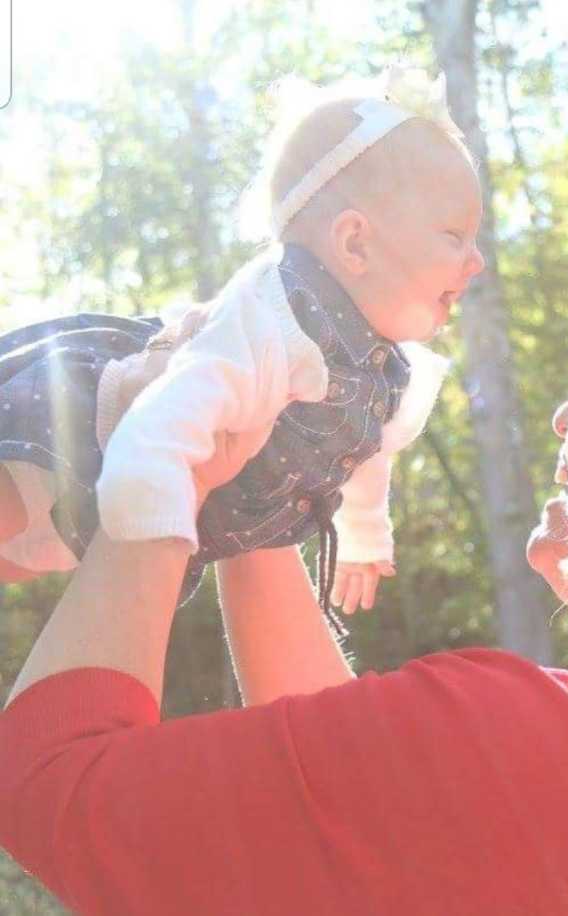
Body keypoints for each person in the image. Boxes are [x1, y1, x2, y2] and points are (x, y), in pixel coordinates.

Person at [3, 254, 568, 914]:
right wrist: (257, 500)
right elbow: (358, 798)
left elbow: (49, 780)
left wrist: (158, 444)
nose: (564, 411)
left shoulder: (539, 751)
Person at [0, 64, 485, 619]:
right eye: (455, 236)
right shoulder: (275, 319)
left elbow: (368, 452)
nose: (478, 261)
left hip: (138, 486)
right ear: (355, 243)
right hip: (104, 425)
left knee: (20, 560)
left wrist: (365, 537)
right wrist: (153, 531)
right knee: (12, 507)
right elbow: (171, 408)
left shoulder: (389, 374)